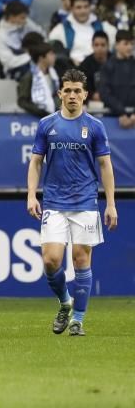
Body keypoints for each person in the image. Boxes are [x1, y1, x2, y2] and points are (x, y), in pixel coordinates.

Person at [27, 67, 117, 337]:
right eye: (68, 90)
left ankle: (78, 319)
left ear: (85, 94)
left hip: (86, 201)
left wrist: (110, 203)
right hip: (54, 201)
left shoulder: (95, 127)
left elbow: (105, 166)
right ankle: (66, 302)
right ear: (60, 94)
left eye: (78, 91)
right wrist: (32, 194)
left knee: (81, 259)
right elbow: (35, 163)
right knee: (51, 260)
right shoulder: (47, 125)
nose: (73, 95)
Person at [49, 0, 116, 65]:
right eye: (79, 7)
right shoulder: (59, 30)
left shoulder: (106, 28)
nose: (83, 11)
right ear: (71, 9)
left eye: (86, 7)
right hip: (73, 68)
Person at [0, 1, 46, 80]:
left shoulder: (27, 23)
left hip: (34, 60)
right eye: (22, 18)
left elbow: (43, 35)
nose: (25, 20)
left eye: (25, 17)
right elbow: (9, 62)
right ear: (11, 17)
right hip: (15, 68)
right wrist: (32, 56)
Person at [97, 29, 135, 125]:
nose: (130, 47)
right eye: (126, 44)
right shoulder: (107, 67)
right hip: (112, 118)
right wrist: (122, 112)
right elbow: (104, 93)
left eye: (132, 44)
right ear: (117, 45)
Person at [17, 42, 61, 117]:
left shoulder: (54, 75)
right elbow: (22, 101)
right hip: (35, 118)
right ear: (41, 58)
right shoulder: (29, 77)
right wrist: (40, 111)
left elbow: (55, 96)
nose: (54, 57)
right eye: (51, 54)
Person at [78, 29, 110, 101]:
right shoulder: (85, 65)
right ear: (92, 46)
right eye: (96, 45)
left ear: (108, 46)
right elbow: (81, 87)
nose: (99, 48)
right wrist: (92, 95)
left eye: (103, 45)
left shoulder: (115, 61)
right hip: (93, 102)